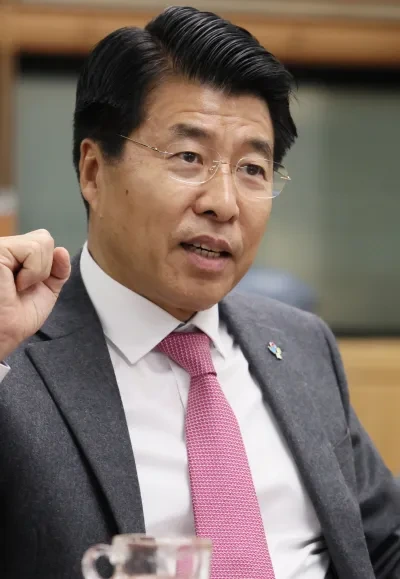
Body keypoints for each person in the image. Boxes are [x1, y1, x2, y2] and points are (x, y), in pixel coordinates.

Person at [0, 6, 399, 579]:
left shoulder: (301, 343)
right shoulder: (14, 350)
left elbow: (384, 544)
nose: (224, 203)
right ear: (94, 171)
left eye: (253, 169)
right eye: (188, 157)